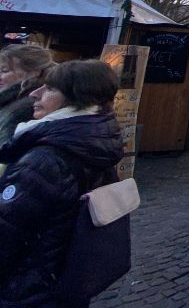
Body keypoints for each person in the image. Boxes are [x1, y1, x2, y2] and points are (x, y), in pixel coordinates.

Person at [0, 59, 124, 307]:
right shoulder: (93, 137)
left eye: (49, 89)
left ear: (76, 98)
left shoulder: (46, 158)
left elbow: (6, 232)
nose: (34, 93)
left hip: (26, 288)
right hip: (58, 280)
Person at [0, 45, 55, 146]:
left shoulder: (28, 108)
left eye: (4, 71)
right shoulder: (14, 101)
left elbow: (6, 151)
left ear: (34, 73)